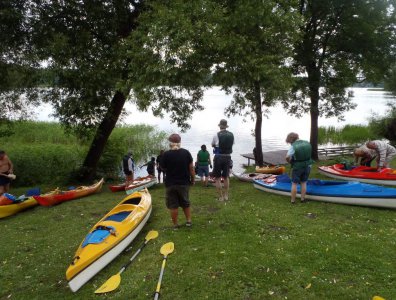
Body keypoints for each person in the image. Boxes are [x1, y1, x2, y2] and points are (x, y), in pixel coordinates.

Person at [160, 133, 195, 228]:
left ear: (170, 143)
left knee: (173, 205)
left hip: (170, 183)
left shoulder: (166, 155)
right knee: (185, 203)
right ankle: (188, 221)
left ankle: (175, 225)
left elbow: (162, 168)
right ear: (180, 142)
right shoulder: (186, 153)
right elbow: (191, 168)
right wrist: (193, 180)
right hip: (184, 183)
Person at [285, 132, 313, 204]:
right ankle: (302, 199)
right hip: (308, 165)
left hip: (298, 167)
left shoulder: (293, 146)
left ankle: (293, 200)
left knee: (294, 183)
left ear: (291, 140)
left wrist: (289, 161)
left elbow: (287, 157)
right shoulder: (307, 143)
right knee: (303, 182)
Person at [211, 119, 234, 201]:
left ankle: (221, 197)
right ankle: (226, 196)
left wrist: (215, 145)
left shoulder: (216, 135)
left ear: (220, 126)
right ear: (226, 126)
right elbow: (232, 144)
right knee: (226, 177)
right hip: (228, 157)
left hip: (218, 157)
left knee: (217, 178)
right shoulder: (231, 135)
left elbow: (212, 144)